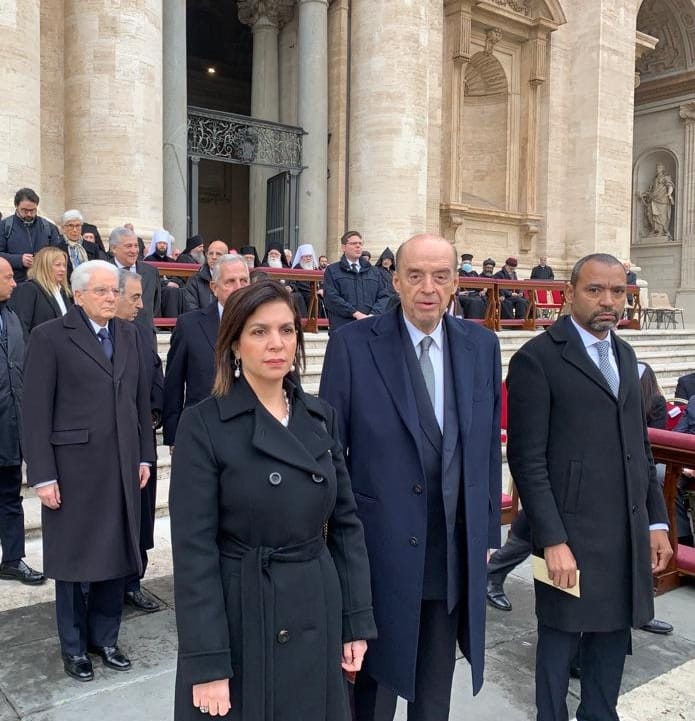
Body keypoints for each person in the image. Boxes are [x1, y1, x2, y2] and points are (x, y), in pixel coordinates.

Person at [169, 279, 376, 719]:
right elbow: (193, 552)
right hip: (244, 613)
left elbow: (346, 527)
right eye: (259, 331)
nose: (276, 343)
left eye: (286, 330)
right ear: (235, 345)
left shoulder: (320, 418)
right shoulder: (203, 425)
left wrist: (355, 621)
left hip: (315, 603)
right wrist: (207, 662)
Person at [320, 233, 502, 721]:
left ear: (455, 283)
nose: (428, 287)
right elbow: (331, 453)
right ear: (395, 281)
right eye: (416, 275)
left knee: (434, 692)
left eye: (440, 276)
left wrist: (485, 530)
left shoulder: (481, 345)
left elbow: (484, 444)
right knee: (371, 693)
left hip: (451, 548)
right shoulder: (352, 345)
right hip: (377, 551)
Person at [506, 253, 672, 721]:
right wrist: (552, 540)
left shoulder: (624, 354)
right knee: (559, 641)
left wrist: (656, 520)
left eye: (618, 291)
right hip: (569, 534)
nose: (608, 301)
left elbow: (638, 446)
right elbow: (527, 460)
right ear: (568, 294)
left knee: (613, 638)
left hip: (623, 529)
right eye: (595, 290)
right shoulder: (536, 359)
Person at [22, 260, 155, 682]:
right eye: (101, 291)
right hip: (73, 470)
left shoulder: (129, 334)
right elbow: (36, 412)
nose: (110, 297)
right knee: (75, 562)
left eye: (113, 290)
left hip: (121, 466)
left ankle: (106, 639)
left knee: (117, 557)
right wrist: (42, 475)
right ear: (78, 295)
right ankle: (75, 647)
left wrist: (145, 456)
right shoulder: (49, 338)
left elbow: (139, 401)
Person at [163, 255, 250, 450]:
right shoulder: (189, 325)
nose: (239, 288)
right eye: (230, 282)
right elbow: (173, 384)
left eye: (244, 280)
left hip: (252, 433)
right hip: (203, 432)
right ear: (214, 287)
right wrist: (174, 436)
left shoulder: (266, 326)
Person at [114, 269, 164, 613]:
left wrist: (156, 412)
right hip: (110, 446)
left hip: (142, 437)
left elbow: (154, 370)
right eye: (134, 297)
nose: (141, 304)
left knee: (143, 517)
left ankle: (134, 581)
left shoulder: (140, 327)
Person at [0, 257, 45, 585]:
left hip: (10, 426)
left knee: (9, 497)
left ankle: (13, 559)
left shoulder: (11, 316)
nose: (14, 283)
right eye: (7, 278)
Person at [322, 231, 392, 332]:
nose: (358, 246)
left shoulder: (374, 271)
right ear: (343, 247)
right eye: (353, 243)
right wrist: (355, 313)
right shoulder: (332, 270)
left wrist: (372, 315)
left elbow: (384, 296)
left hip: (370, 326)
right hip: (343, 328)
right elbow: (331, 298)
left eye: (360, 243)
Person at [0, 188, 62, 283]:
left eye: (32, 210)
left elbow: (58, 253)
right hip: (15, 283)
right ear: (16, 206)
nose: (29, 214)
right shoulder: (4, 226)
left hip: (44, 282)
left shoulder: (49, 227)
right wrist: (19, 260)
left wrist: (43, 258)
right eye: (25, 210)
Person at [109, 226, 161, 336]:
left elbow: (155, 305)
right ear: (113, 248)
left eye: (136, 246)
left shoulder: (151, 272)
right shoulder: (104, 271)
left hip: (145, 335)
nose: (134, 251)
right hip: (114, 335)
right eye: (128, 246)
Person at [12, 246, 72, 334]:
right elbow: (22, 326)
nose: (63, 269)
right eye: (58, 265)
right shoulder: (29, 288)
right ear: (44, 266)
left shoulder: (64, 291)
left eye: (64, 265)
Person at [183, 240, 229, 311]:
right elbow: (191, 311)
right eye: (210, 253)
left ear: (226, 257)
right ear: (207, 256)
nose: (214, 257)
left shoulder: (234, 280)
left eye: (218, 254)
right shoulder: (194, 281)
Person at [58, 210, 102, 277]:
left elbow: (97, 270)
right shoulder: (57, 249)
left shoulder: (93, 247)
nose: (75, 230)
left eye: (78, 225)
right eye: (70, 225)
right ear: (64, 228)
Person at [641, 163, 675, 237]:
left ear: (662, 169)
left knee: (661, 215)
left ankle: (661, 230)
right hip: (654, 198)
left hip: (662, 199)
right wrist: (646, 194)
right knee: (651, 214)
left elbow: (670, 185)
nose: (657, 169)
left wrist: (669, 194)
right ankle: (655, 230)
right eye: (657, 168)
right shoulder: (654, 179)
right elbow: (652, 190)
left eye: (659, 168)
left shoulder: (666, 177)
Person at [457, 253, 487, 320]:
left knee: (482, 300)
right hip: (463, 294)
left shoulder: (474, 273)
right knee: (472, 301)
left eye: (469, 263)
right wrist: (458, 293)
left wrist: (483, 290)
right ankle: (471, 322)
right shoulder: (457, 273)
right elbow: (452, 285)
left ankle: (481, 322)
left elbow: (482, 284)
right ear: (461, 264)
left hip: (475, 294)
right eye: (465, 263)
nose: (467, 265)